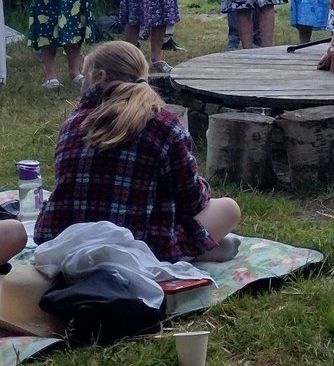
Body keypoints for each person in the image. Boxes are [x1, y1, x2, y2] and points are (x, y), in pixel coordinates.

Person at [34, 41, 240, 262]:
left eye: (84, 76)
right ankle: (199, 249)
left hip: (65, 243)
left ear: (98, 75)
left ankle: (202, 248)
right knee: (228, 208)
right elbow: (193, 201)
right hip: (137, 251)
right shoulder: (163, 125)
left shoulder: (73, 123)